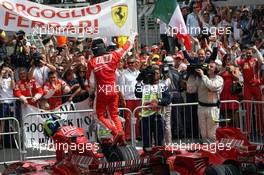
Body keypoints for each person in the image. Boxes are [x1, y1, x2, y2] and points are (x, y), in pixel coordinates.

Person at [86, 33, 137, 143]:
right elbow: (126, 47)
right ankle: (121, 137)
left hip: (102, 91)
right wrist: (132, 35)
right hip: (114, 90)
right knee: (114, 115)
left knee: (99, 115)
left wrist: (91, 94)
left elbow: (91, 83)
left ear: (94, 50)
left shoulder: (92, 62)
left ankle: (114, 132)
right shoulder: (113, 55)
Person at [135, 65, 171, 151]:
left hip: (158, 115)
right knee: (146, 138)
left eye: (157, 73)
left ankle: (159, 154)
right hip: (145, 116)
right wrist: (139, 82)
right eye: (154, 73)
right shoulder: (145, 85)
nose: (156, 75)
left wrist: (158, 101)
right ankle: (147, 154)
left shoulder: (162, 85)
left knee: (159, 138)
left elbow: (168, 99)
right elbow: (137, 94)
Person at [190, 61, 224, 141]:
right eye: (208, 66)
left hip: (213, 108)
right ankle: (206, 150)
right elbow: (191, 90)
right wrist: (192, 76)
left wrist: (203, 76)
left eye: (211, 67)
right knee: (203, 133)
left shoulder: (219, 79)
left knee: (212, 133)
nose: (208, 67)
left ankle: (214, 151)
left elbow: (212, 87)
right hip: (201, 107)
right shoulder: (201, 78)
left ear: (216, 69)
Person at [235, 46, 264, 135]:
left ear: (252, 53)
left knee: (259, 108)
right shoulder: (243, 62)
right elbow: (234, 62)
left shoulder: (255, 60)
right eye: (247, 53)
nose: (248, 54)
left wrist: (257, 50)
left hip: (256, 86)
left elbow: (262, 61)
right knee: (247, 108)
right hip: (247, 87)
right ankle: (248, 130)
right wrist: (241, 54)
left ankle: (261, 130)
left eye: (250, 52)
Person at [122, 56, 141, 141]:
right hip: (128, 98)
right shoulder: (124, 73)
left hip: (137, 98)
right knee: (128, 118)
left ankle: (137, 135)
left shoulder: (138, 73)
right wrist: (122, 99)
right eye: (128, 63)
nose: (130, 65)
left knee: (137, 117)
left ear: (135, 63)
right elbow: (121, 87)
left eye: (132, 63)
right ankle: (128, 135)